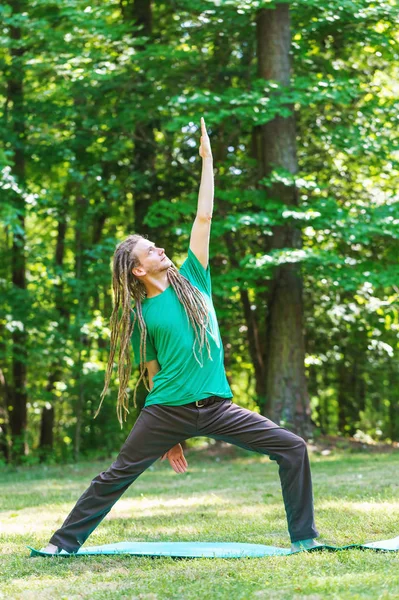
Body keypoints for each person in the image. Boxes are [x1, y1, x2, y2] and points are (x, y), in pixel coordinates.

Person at [40, 117, 320, 556]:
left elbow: (204, 215)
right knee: (118, 473)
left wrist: (207, 160)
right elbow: (151, 374)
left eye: (156, 245)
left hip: (217, 406)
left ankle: (305, 538)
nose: (160, 249)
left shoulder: (195, 278)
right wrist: (169, 436)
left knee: (292, 447)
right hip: (166, 409)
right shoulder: (141, 316)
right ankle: (62, 544)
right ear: (138, 270)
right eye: (150, 250)